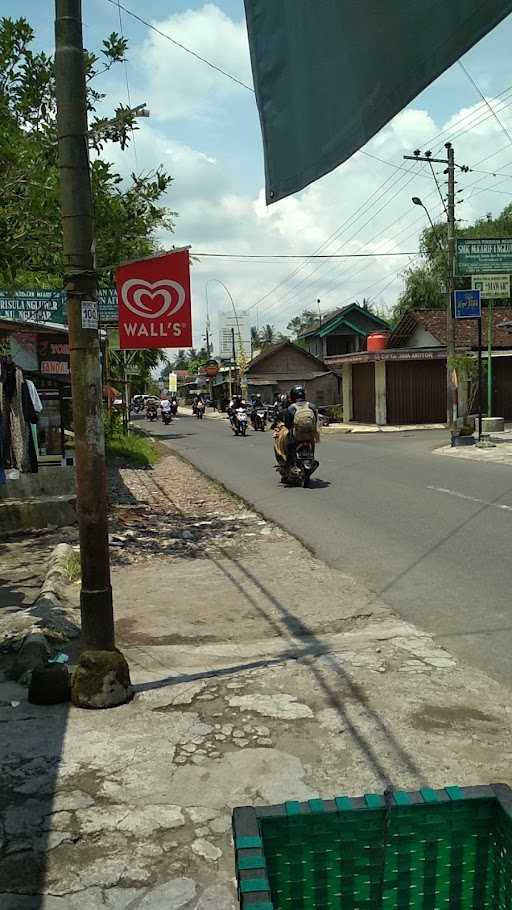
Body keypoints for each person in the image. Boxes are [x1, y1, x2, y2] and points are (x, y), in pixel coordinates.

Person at [283, 386, 318, 468]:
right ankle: (312, 456)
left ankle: (288, 464)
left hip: (297, 436)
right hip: (310, 435)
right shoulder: (311, 406)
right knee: (312, 443)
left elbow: (288, 424)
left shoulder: (291, 408)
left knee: (288, 444)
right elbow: (315, 421)